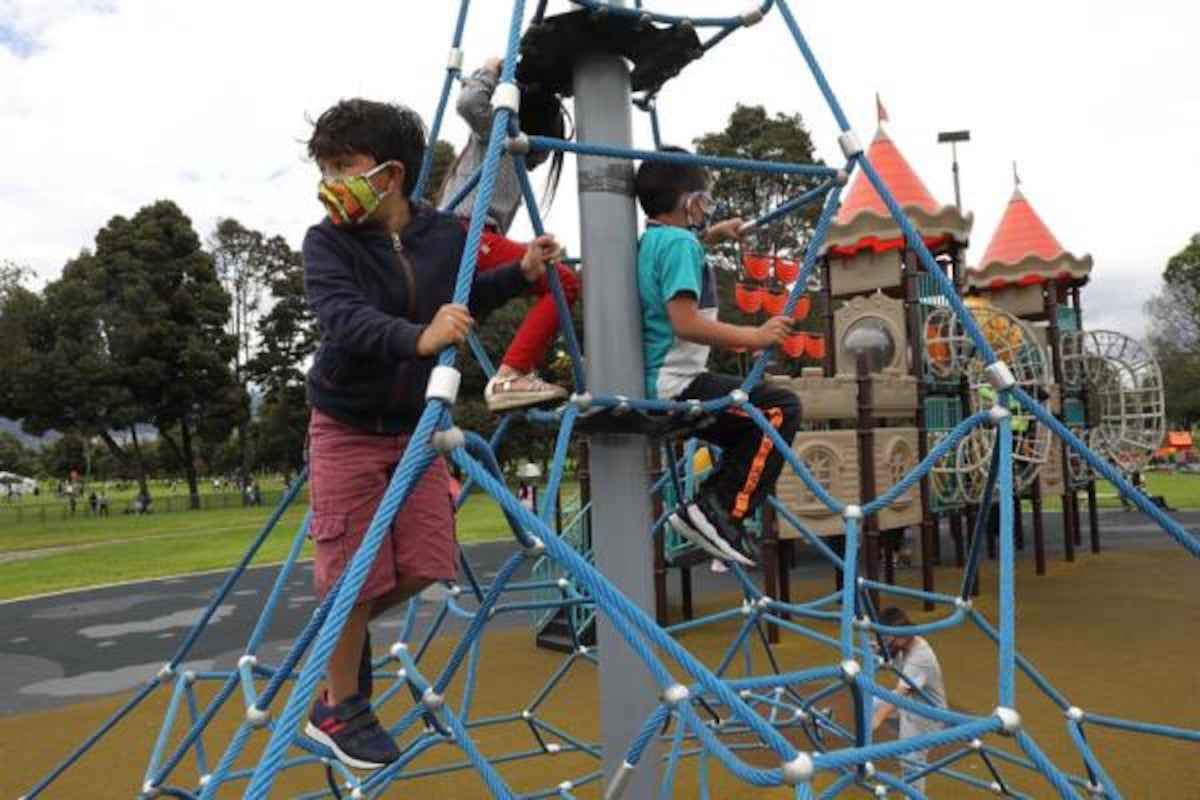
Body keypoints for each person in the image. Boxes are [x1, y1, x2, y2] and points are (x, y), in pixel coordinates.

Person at [302, 98, 560, 770]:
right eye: (325, 168)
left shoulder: (445, 236)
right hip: (347, 425)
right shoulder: (327, 242)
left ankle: (340, 637)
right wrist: (419, 337)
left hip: (414, 428)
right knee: (352, 576)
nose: (330, 182)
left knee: (426, 563)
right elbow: (343, 319)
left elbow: (465, 297)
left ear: (390, 174)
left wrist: (521, 274)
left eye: (343, 166)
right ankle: (338, 705)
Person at [634, 147, 801, 566]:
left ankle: (712, 509)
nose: (706, 210)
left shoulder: (655, 240)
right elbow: (685, 322)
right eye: (704, 201)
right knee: (780, 409)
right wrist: (755, 335)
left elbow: (679, 245)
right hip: (676, 385)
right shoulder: (680, 245)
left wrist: (713, 234)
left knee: (750, 429)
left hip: (663, 383)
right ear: (690, 202)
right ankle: (717, 509)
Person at [438, 56, 580, 412]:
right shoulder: (497, 133)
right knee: (564, 282)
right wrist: (490, 70)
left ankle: (512, 371)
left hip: (473, 238)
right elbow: (469, 103)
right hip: (466, 234)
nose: (544, 155)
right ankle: (512, 372)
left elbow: (540, 150)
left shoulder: (517, 154)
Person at [870, 606, 948, 794]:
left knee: (910, 761)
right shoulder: (908, 643)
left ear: (902, 636)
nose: (888, 644)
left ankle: (914, 796)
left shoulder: (919, 658)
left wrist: (876, 721)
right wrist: (881, 649)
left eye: (889, 640)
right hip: (912, 701)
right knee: (870, 703)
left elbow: (897, 697)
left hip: (926, 715)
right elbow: (895, 660)